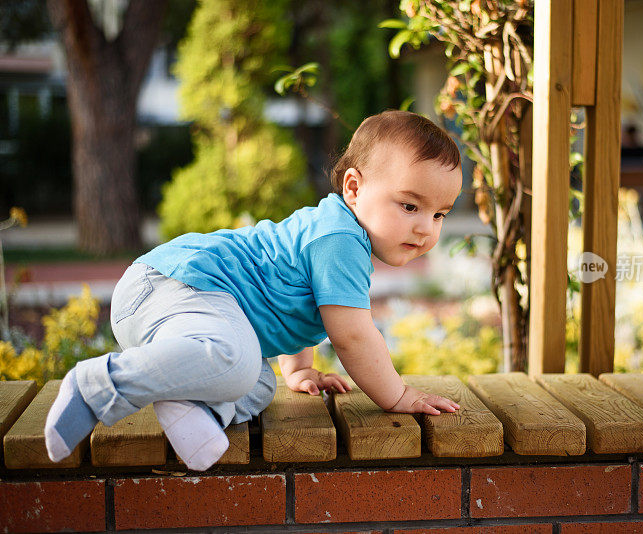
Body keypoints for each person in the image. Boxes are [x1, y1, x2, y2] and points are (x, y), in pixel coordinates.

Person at [44, 110, 463, 471]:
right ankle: (97, 385)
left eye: (440, 213)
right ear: (353, 189)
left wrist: (298, 370)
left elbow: (287, 300)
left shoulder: (337, 234)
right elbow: (352, 335)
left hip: (179, 311)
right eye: (410, 206)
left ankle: (192, 406)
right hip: (175, 285)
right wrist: (398, 395)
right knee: (239, 362)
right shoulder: (340, 240)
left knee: (258, 385)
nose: (426, 228)